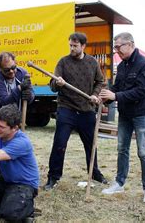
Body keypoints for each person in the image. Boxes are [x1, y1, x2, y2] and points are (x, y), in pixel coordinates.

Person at [43, 32, 107, 190]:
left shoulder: (92, 62)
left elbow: (100, 81)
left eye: (75, 46)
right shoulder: (63, 62)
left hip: (86, 110)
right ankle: (53, 177)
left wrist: (95, 94)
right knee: (59, 143)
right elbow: (52, 85)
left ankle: (94, 172)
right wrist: (57, 83)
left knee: (91, 144)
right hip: (67, 108)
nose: (72, 48)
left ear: (83, 46)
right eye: (70, 45)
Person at [99, 32, 145, 203]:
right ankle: (119, 182)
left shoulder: (144, 64)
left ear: (130, 44)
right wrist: (105, 98)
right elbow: (117, 88)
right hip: (125, 114)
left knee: (143, 151)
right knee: (122, 149)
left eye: (119, 47)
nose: (117, 51)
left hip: (141, 114)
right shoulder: (122, 66)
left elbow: (141, 91)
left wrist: (115, 96)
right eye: (115, 47)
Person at [0, 52, 34, 175]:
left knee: (12, 148)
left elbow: (30, 94)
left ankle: (8, 177)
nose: (11, 72)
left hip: (12, 119)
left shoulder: (22, 73)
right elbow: (5, 100)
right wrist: (20, 89)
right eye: (7, 70)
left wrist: (29, 95)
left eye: (13, 68)